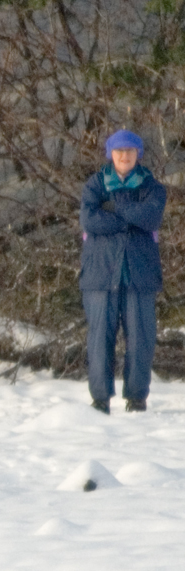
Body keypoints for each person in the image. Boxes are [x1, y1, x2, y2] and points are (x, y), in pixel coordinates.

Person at [79, 129, 167, 414]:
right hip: (100, 273)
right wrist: (131, 217)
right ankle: (100, 399)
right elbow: (90, 221)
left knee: (141, 337)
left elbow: (151, 216)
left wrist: (114, 208)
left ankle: (137, 397)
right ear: (110, 154)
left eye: (130, 151)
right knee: (99, 337)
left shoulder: (152, 187)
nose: (124, 156)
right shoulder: (95, 184)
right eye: (119, 151)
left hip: (139, 273)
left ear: (138, 154)